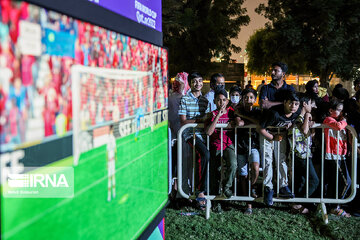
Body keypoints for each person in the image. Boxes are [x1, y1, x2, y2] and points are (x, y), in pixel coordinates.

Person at [258, 90, 300, 206]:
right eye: (291, 103)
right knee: (267, 160)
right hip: (267, 134)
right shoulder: (274, 113)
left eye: (296, 104)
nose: (293, 106)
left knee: (281, 159)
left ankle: (283, 186)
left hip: (281, 134)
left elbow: (297, 118)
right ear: (285, 102)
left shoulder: (297, 112)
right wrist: (272, 137)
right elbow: (260, 128)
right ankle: (268, 188)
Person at [178, 72, 210, 210]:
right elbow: (183, 121)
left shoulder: (206, 101)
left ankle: (206, 190)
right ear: (189, 84)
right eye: (194, 81)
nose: (198, 84)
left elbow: (208, 119)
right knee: (204, 154)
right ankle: (200, 191)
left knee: (207, 158)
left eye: (200, 81)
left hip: (204, 135)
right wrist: (199, 120)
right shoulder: (184, 99)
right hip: (190, 134)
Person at [205, 88, 240, 198]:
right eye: (219, 100)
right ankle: (216, 198)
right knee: (216, 170)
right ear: (215, 101)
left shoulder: (232, 113)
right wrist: (217, 116)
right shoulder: (212, 114)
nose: (221, 102)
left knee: (233, 164)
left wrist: (235, 121)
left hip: (228, 143)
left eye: (224, 100)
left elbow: (239, 122)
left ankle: (226, 186)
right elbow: (209, 132)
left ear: (227, 101)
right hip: (215, 144)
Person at [288, 93, 319, 214]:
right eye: (311, 103)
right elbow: (304, 130)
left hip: (302, 153)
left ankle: (297, 204)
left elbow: (305, 133)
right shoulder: (299, 116)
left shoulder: (299, 117)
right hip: (300, 154)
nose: (313, 106)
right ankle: (298, 203)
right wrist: (307, 116)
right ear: (305, 104)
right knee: (314, 180)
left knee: (300, 181)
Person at [323, 99, 351, 217]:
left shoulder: (337, 121)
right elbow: (338, 127)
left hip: (340, 155)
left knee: (336, 182)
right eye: (338, 110)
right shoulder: (328, 120)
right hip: (333, 155)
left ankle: (332, 206)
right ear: (331, 110)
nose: (341, 113)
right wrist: (344, 121)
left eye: (341, 110)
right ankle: (335, 206)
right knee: (346, 182)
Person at [235, 88, 261, 214]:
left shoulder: (257, 111)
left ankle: (252, 187)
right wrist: (246, 120)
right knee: (243, 175)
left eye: (251, 97)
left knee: (255, 168)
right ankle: (248, 204)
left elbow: (259, 122)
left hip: (254, 144)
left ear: (254, 99)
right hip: (240, 145)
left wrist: (245, 118)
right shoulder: (237, 111)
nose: (248, 100)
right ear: (242, 99)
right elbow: (239, 124)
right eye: (246, 97)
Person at [107, 124, 116, 202]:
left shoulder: (109, 138)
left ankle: (110, 196)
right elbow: (115, 149)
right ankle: (113, 194)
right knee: (112, 177)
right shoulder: (112, 138)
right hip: (111, 160)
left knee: (110, 178)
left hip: (110, 161)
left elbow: (107, 151)